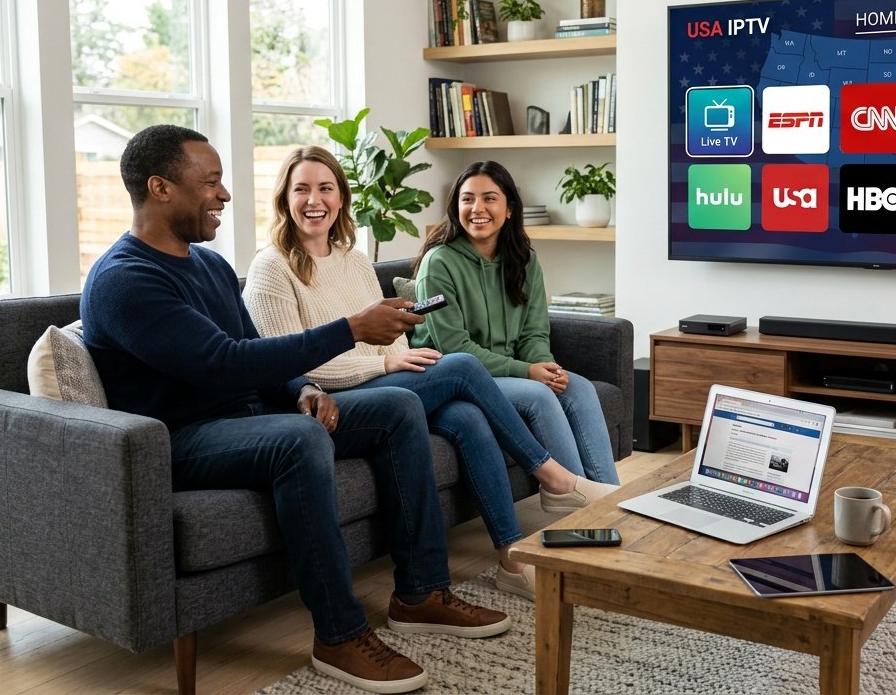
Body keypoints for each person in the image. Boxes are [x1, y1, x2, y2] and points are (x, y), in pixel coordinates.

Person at [80, 125, 509, 695]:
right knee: (297, 439)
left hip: (245, 417)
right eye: (209, 183)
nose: (225, 195)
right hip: (178, 439)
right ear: (160, 188)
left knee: (399, 407)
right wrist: (353, 329)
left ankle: (420, 593)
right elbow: (225, 363)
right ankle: (338, 633)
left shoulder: (206, 266)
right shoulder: (126, 280)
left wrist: (302, 388)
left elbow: (255, 345)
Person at [242, 146, 619, 602]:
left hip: (384, 379)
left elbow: (392, 336)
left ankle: (512, 562)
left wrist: (397, 357)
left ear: (341, 198)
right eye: (301, 189)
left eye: (326, 188)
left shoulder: (353, 259)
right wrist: (385, 363)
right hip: (331, 397)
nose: (313, 200)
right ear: (284, 198)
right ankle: (555, 479)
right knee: (459, 364)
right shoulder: (271, 267)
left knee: (468, 417)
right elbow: (289, 362)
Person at [412, 160, 620, 485]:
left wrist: (544, 366)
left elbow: (534, 331)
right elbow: (455, 348)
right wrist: (526, 371)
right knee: (538, 397)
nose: (477, 208)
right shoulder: (438, 263)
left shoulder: (524, 259)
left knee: (578, 388)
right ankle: (576, 499)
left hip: (506, 372)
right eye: (467, 199)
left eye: (489, 198)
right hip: (457, 377)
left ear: (509, 208)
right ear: (455, 207)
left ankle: (607, 495)